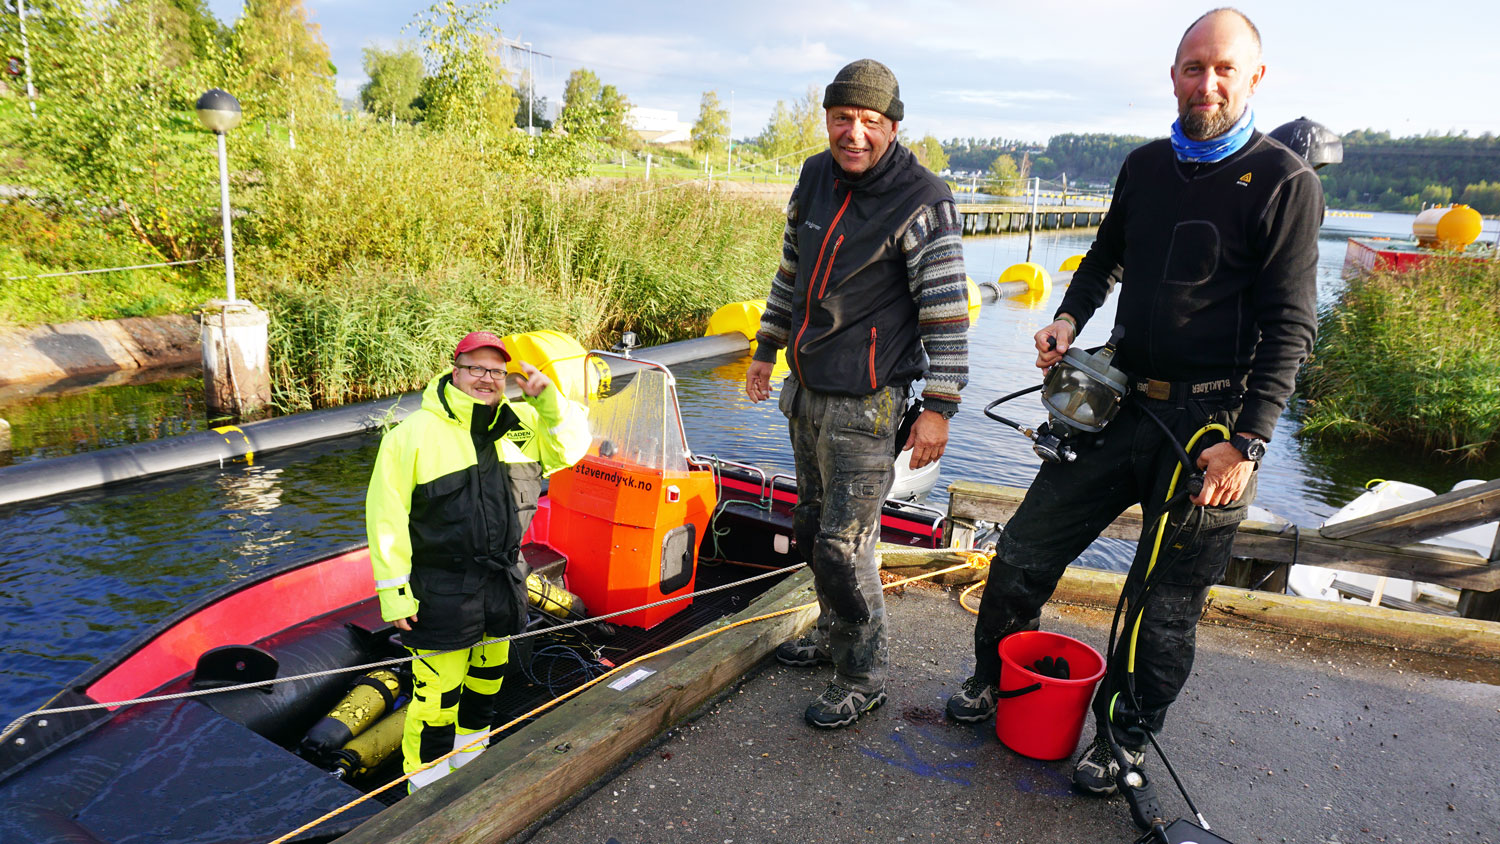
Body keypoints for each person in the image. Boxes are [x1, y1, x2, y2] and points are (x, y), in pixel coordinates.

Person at [946, 6, 1323, 807]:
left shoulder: (1287, 183)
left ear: (1255, 78)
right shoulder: (1145, 166)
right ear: (1174, 75)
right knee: (1022, 553)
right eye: (1195, 66)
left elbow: (1293, 325)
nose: (1208, 82)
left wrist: (1247, 444)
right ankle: (995, 679)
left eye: (1225, 68)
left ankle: (1122, 738)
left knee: (1163, 606)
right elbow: (1103, 257)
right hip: (1119, 401)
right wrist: (1067, 319)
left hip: (1212, 429)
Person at [744, 59, 969, 729]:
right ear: (828, 120)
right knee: (812, 529)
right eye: (843, 118)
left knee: (846, 546)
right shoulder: (814, 176)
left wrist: (939, 407)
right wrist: (764, 347)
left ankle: (863, 674)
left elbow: (948, 312)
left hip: (869, 403)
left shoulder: (924, 198)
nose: (855, 133)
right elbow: (791, 272)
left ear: (893, 126)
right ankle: (826, 634)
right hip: (807, 389)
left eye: (871, 121)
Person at [366, 331, 589, 789]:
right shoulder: (411, 436)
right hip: (441, 587)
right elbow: (385, 518)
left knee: (488, 681)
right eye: (476, 368)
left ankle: (472, 768)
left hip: (503, 580)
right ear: (456, 370)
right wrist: (395, 593)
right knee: (435, 700)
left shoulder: (522, 422)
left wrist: (549, 402)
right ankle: (425, 790)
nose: (486, 379)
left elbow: (571, 448)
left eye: (496, 371)